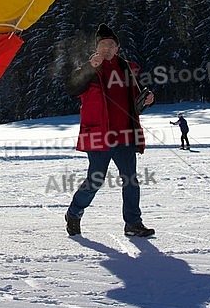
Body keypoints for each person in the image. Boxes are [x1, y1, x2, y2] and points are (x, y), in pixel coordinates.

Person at [65, 24, 155, 238]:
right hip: (98, 135)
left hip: (124, 135)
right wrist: (88, 68)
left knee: (131, 180)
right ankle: (74, 213)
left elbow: (135, 102)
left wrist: (146, 100)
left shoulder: (127, 70)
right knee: (95, 180)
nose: (107, 48)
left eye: (111, 45)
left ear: (117, 48)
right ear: (97, 48)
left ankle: (133, 224)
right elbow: (72, 88)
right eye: (103, 44)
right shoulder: (90, 68)